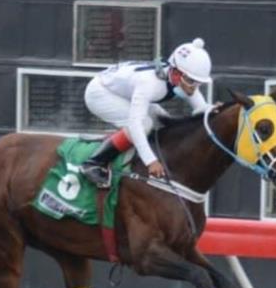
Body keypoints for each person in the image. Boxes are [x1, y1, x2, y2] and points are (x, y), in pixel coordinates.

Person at [79, 37, 214, 187]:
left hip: (122, 93)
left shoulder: (178, 76)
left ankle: (120, 143)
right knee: (145, 124)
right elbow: (135, 124)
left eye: (198, 82)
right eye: (191, 81)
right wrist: (151, 161)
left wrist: (214, 110)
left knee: (163, 121)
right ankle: (94, 163)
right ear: (176, 73)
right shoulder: (149, 84)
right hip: (99, 93)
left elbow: (202, 110)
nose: (194, 88)